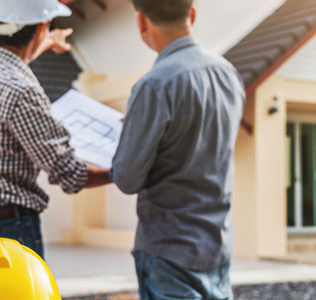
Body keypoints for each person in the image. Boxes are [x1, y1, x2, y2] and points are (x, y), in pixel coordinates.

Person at [0, 0, 111, 259]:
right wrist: (124, 171)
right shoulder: (22, 91)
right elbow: (70, 174)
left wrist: (47, 41)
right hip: (9, 233)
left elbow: (13, 60)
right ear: (42, 25)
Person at [110, 0, 245, 299]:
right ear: (192, 14)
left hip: (169, 249)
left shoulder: (154, 85)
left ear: (141, 22)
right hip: (216, 244)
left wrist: (134, 134)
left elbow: (127, 178)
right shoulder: (229, 74)